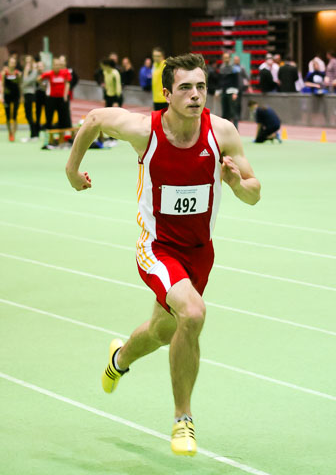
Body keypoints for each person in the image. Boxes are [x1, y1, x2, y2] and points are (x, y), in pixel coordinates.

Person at [65, 53, 261, 457]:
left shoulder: (221, 132)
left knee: (163, 331)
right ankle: (182, 420)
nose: (195, 95)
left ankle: (119, 358)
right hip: (156, 248)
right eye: (186, 87)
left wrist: (236, 183)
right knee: (192, 313)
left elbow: (254, 192)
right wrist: (72, 170)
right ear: (167, 93)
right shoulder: (145, 130)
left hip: (199, 253)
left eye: (201, 87)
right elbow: (96, 119)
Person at [38, 57, 72, 132]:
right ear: (52, 65)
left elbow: (67, 83)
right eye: (55, 65)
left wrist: (65, 95)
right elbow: (39, 79)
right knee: (49, 118)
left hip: (62, 98)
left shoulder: (65, 73)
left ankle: (62, 137)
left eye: (58, 65)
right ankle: (48, 137)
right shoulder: (49, 73)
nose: (57, 66)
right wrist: (44, 86)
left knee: (63, 118)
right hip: (51, 98)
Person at [1, 55, 21, 141]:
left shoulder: (18, 73)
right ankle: (10, 133)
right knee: (8, 116)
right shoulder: (4, 73)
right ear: (8, 63)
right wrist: (1, 96)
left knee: (15, 116)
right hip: (7, 96)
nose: (13, 64)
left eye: (14, 63)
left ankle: (14, 132)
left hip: (16, 96)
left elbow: (20, 85)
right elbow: (2, 85)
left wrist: (22, 96)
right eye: (11, 62)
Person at [218, 52, 239, 129]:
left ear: (230, 58)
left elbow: (236, 82)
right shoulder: (221, 68)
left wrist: (235, 93)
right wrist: (218, 91)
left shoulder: (234, 69)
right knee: (224, 112)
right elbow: (220, 81)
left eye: (227, 57)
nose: (226, 59)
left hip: (231, 92)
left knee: (233, 112)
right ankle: (225, 130)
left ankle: (236, 129)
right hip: (223, 92)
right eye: (224, 57)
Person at [21, 55, 39, 142]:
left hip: (31, 94)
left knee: (30, 115)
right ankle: (33, 134)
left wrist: (25, 73)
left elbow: (25, 82)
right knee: (28, 115)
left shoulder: (34, 71)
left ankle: (34, 134)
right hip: (25, 94)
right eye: (26, 61)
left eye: (29, 61)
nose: (28, 63)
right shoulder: (27, 71)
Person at [152, 47, 168, 111]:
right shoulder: (154, 65)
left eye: (158, 56)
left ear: (162, 56)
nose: (156, 58)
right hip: (155, 99)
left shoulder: (165, 65)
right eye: (154, 56)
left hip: (163, 99)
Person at [35, 60, 48, 135]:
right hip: (37, 95)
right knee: (38, 113)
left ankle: (46, 129)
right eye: (38, 66)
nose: (40, 68)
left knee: (47, 113)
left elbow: (45, 87)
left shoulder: (46, 75)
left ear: (44, 67)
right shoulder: (35, 75)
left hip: (45, 95)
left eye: (41, 66)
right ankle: (37, 131)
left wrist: (39, 82)